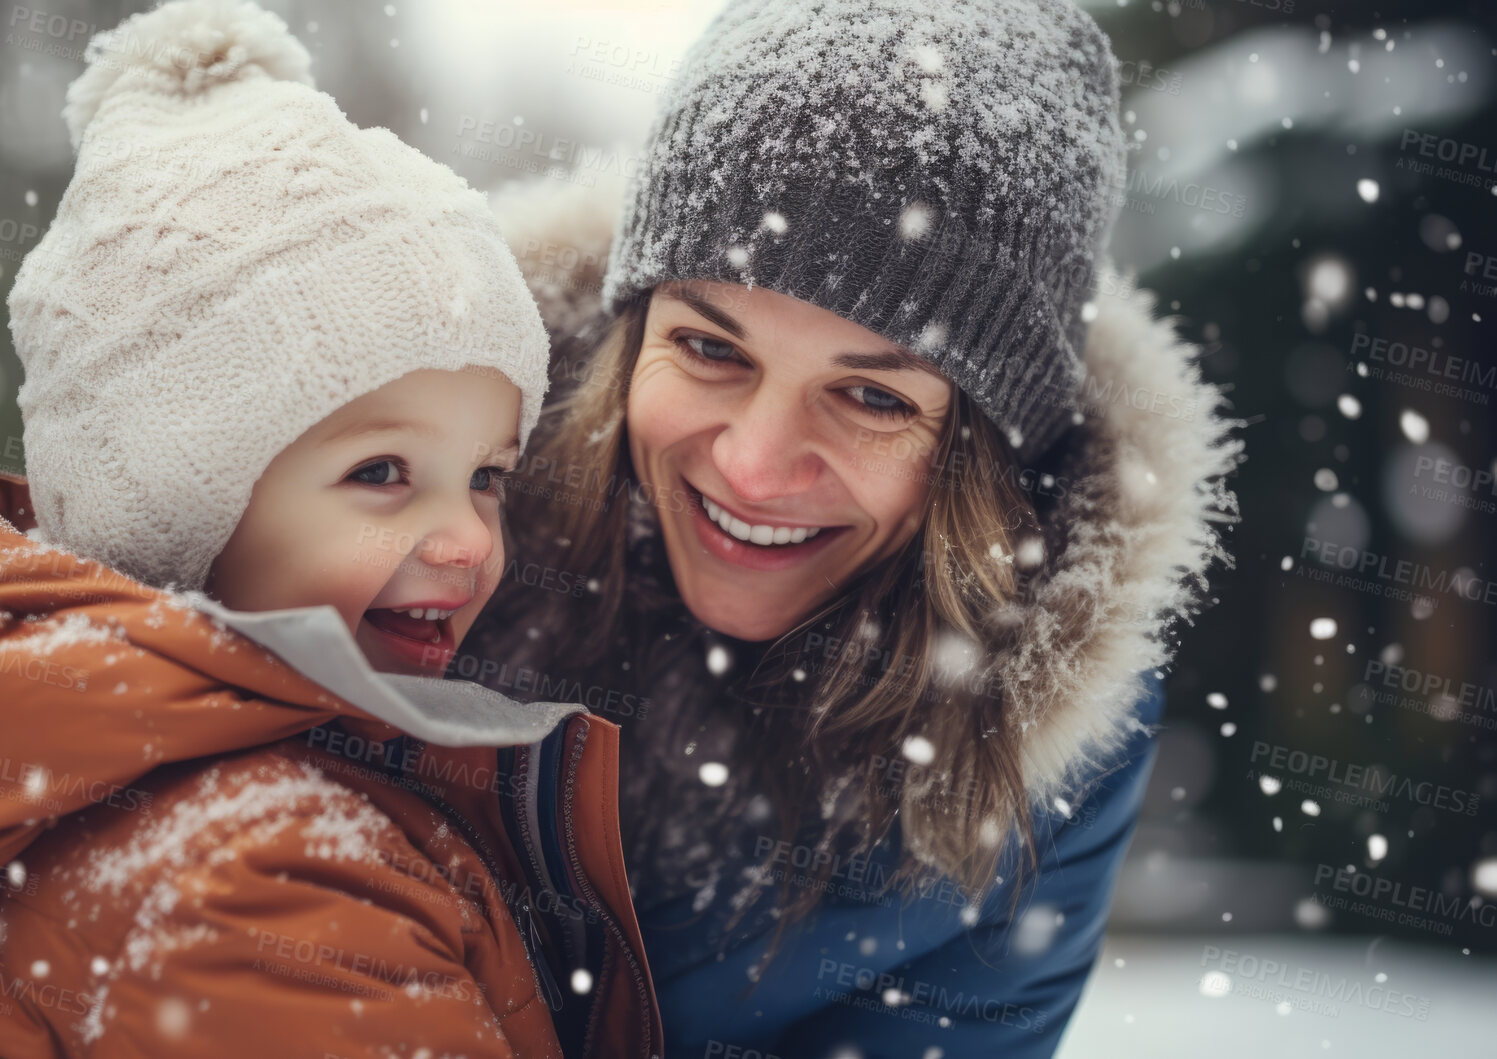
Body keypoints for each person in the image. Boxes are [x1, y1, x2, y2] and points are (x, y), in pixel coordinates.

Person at [0, 2, 659, 1056]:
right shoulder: (259, 880)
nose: (465, 539)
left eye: (485, 477)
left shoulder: (178, 787)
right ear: (176, 506)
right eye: (380, 473)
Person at [464, 0, 1243, 1053]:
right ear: (628, 328)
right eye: (707, 348)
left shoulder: (1041, 743)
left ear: (984, 456)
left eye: (873, 400)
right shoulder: (417, 487)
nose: (749, 464)